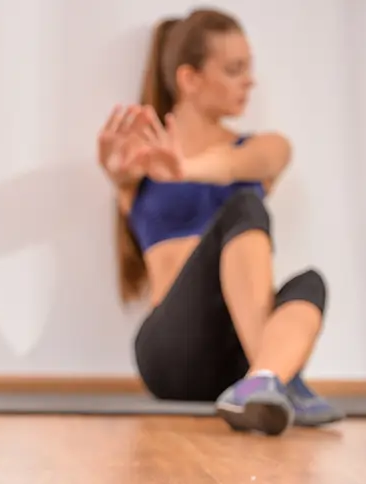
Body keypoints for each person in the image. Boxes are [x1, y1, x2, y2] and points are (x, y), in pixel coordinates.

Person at [97, 8, 344, 435]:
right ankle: (276, 381)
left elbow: (237, 164)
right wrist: (117, 170)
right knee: (245, 207)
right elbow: (123, 174)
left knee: (310, 283)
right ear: (190, 79)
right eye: (234, 69)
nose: (250, 80)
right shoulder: (141, 160)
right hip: (175, 352)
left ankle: (263, 379)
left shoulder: (264, 148)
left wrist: (183, 169)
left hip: (238, 360)